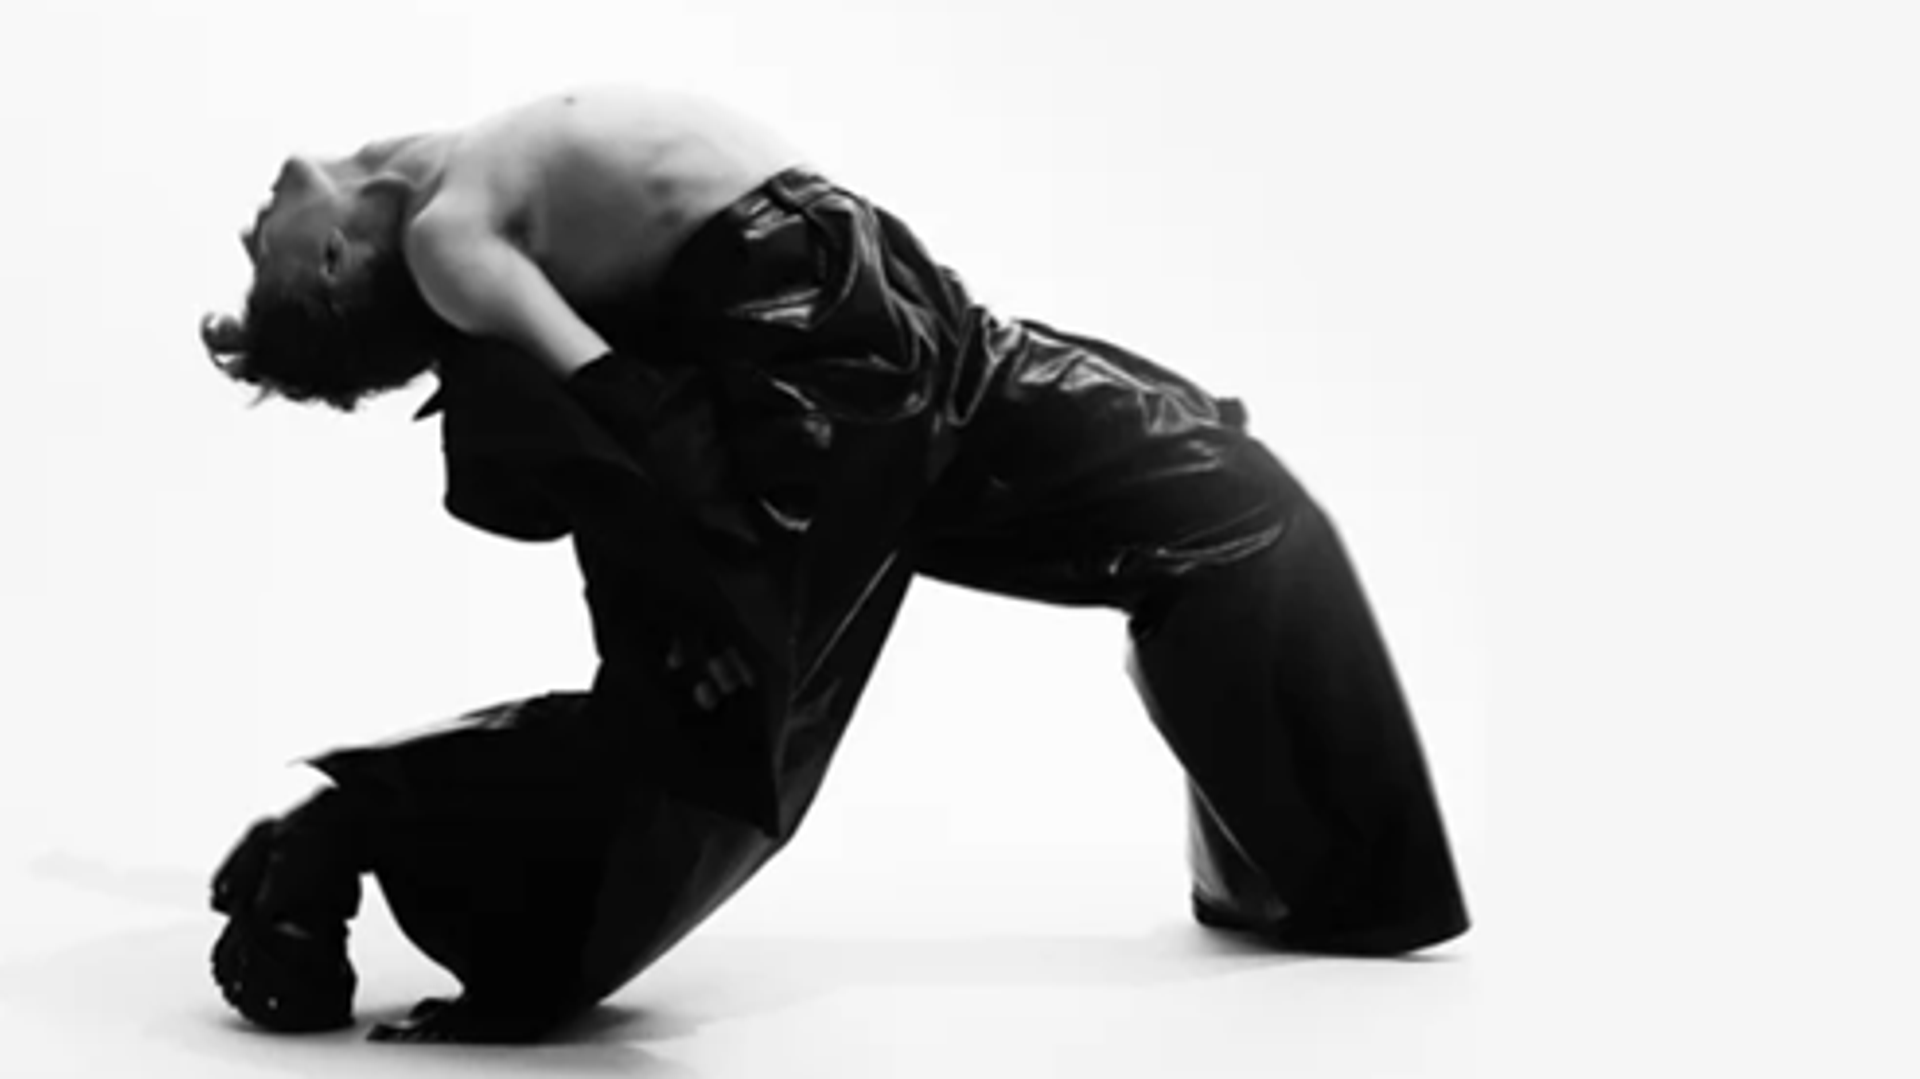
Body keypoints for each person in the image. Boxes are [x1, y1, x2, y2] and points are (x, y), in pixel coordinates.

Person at [201, 83, 1470, 1043]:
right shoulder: (445, 238)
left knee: (1236, 507)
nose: (251, 223)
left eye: (252, 251)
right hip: (814, 392)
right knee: (709, 765)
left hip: (896, 318)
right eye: (263, 257)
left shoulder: (421, 163)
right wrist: (715, 594)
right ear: (335, 266)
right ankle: (346, 829)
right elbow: (611, 395)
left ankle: (1314, 879)